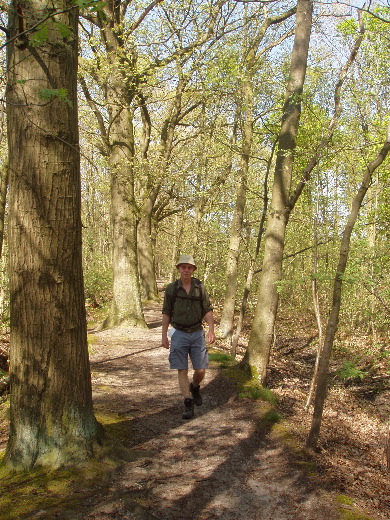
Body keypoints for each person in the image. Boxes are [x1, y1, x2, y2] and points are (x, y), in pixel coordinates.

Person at [162, 255, 216, 419]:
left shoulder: (200, 287)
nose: (186, 270)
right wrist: (164, 335)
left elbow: (207, 309)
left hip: (197, 333)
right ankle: (187, 402)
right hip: (178, 333)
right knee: (182, 369)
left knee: (200, 369)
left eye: (189, 267)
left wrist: (211, 330)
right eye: (183, 267)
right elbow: (166, 313)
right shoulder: (171, 288)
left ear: (193, 270)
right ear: (178, 268)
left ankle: (194, 387)